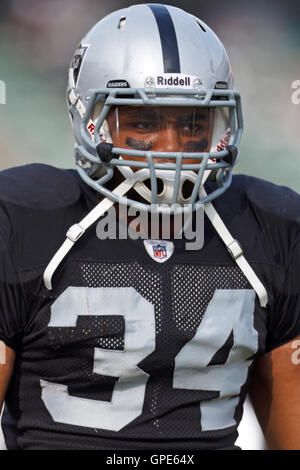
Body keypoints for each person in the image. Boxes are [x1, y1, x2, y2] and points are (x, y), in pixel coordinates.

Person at [0, 3, 300, 451]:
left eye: (193, 122)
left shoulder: (271, 226)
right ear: (91, 120)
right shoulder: (23, 220)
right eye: (145, 121)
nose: (172, 147)